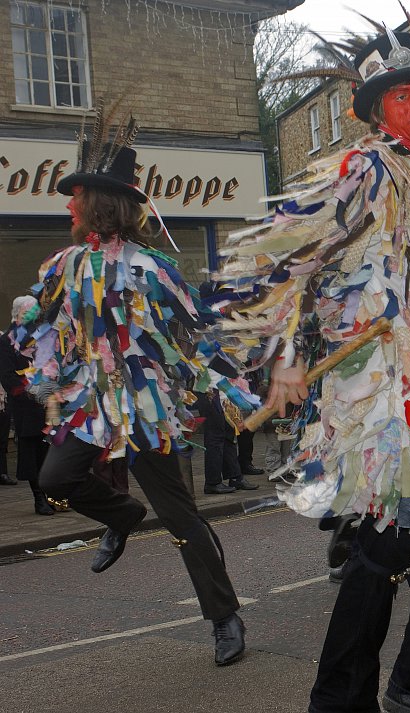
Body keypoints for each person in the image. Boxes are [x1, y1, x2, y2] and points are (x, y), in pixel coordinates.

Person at [211, 26, 410, 713]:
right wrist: (288, 356)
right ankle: (358, 694)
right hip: (386, 380)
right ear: (377, 108)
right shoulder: (363, 168)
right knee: (398, 540)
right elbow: (281, 255)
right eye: (403, 95)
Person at [14, 105, 256, 665]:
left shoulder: (151, 267)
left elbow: (196, 330)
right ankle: (122, 515)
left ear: (100, 205)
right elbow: (41, 320)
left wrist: (234, 386)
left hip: (146, 407)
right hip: (92, 403)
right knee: (55, 477)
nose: (69, 206)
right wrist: (34, 337)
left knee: (179, 516)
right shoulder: (66, 265)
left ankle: (224, 615)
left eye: (77, 197)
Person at [0, 297, 54, 513]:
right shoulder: (6, 341)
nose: (32, 316)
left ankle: (52, 494)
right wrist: (31, 391)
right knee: (32, 451)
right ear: (17, 313)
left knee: (48, 448)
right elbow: (7, 377)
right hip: (26, 404)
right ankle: (39, 498)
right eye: (27, 312)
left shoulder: (40, 335)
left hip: (47, 402)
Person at [195, 390, 258, 494]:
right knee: (215, 437)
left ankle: (235, 477)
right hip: (209, 390)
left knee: (229, 436)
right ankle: (213, 482)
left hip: (224, 393)